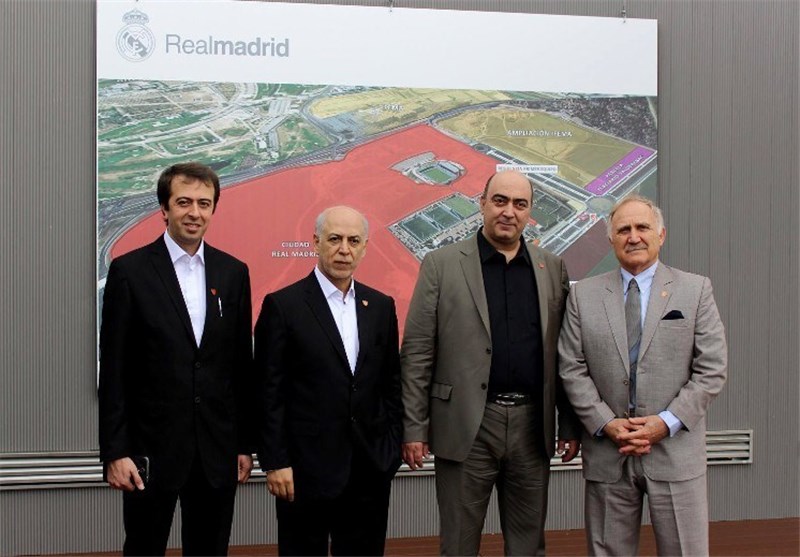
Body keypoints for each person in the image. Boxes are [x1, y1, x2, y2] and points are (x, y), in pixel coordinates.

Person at [401, 170, 581, 556]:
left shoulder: (552, 268)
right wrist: (414, 427)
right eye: (500, 201)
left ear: (530, 212)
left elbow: (565, 354)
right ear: (482, 203)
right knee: (459, 546)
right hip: (466, 426)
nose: (508, 212)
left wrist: (568, 423)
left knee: (528, 546)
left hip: (532, 428)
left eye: (520, 204)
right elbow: (417, 352)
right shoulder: (441, 265)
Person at [558, 194, 728, 556]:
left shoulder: (695, 290)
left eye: (642, 227)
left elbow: (711, 369)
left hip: (675, 452)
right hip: (609, 452)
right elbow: (571, 367)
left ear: (661, 235)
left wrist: (665, 423)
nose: (633, 236)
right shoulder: (583, 296)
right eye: (623, 230)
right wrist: (606, 423)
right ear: (611, 239)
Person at [98, 162, 254, 556]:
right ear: (164, 209)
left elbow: (239, 366)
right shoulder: (129, 271)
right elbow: (114, 370)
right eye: (183, 202)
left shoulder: (233, 273)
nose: (194, 212)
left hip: (216, 453)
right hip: (149, 454)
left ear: (213, 209)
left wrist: (243, 445)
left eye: (204, 203)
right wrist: (116, 452)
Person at [254, 206, 403, 556]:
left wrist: (391, 449)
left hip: (369, 469)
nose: (344, 249)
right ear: (316, 242)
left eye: (354, 241)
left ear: (365, 247)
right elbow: (268, 392)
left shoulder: (380, 306)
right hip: (303, 472)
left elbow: (391, 384)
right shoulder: (283, 306)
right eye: (335, 239)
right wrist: (275, 461)